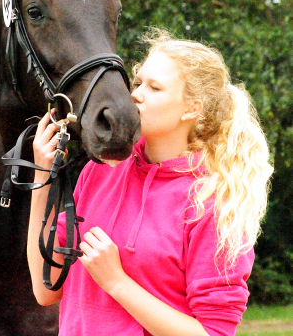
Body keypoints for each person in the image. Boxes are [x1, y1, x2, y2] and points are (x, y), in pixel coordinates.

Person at [27, 29, 273, 336]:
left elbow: (213, 333)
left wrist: (116, 282)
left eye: (155, 88)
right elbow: (45, 288)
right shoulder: (101, 171)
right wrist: (43, 174)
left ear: (191, 108)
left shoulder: (212, 200)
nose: (135, 94)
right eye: (138, 82)